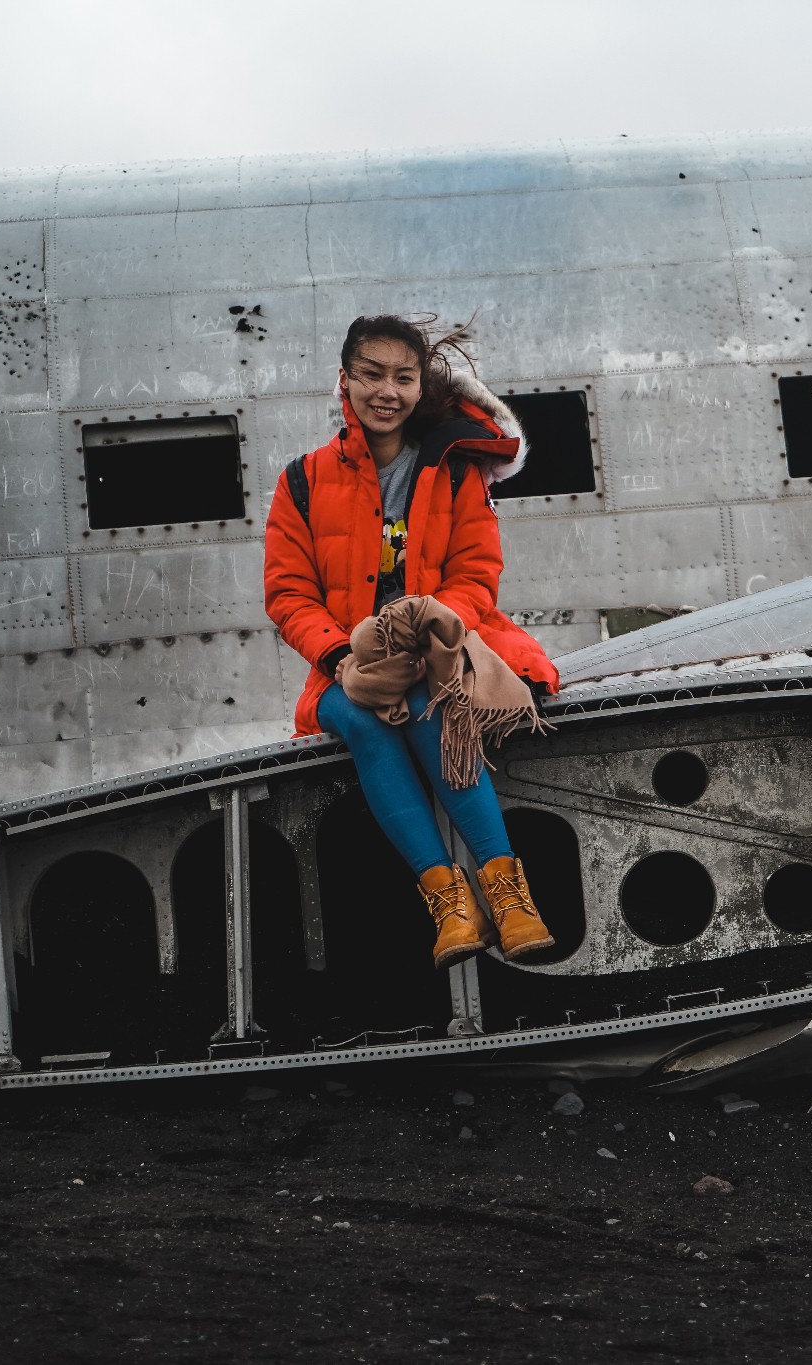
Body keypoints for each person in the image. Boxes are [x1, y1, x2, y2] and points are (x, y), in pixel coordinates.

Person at [264, 315, 562, 967]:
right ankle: (448, 904)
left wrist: (433, 629)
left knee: (433, 701)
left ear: (419, 385)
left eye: (403, 377)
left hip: (443, 648)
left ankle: (509, 897)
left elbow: (476, 575)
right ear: (344, 380)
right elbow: (287, 596)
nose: (387, 391)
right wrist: (343, 657)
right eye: (371, 374)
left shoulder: (456, 471)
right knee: (364, 719)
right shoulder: (302, 482)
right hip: (342, 667)